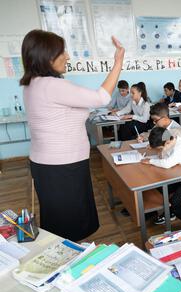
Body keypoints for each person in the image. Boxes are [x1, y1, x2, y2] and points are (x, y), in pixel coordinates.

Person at [20, 29, 124, 241]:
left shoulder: (33, 84)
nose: (67, 57)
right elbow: (101, 97)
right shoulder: (52, 85)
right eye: (62, 52)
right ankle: (71, 265)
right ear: (46, 57)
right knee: (70, 225)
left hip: (49, 166)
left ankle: (65, 260)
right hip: (62, 168)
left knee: (60, 222)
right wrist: (118, 62)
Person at [142, 127, 181, 227]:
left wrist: (150, 161)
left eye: (160, 148)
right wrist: (161, 150)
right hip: (179, 177)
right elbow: (163, 158)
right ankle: (158, 212)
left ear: (168, 142)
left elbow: (167, 164)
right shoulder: (169, 143)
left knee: (174, 202)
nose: (160, 150)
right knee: (158, 189)